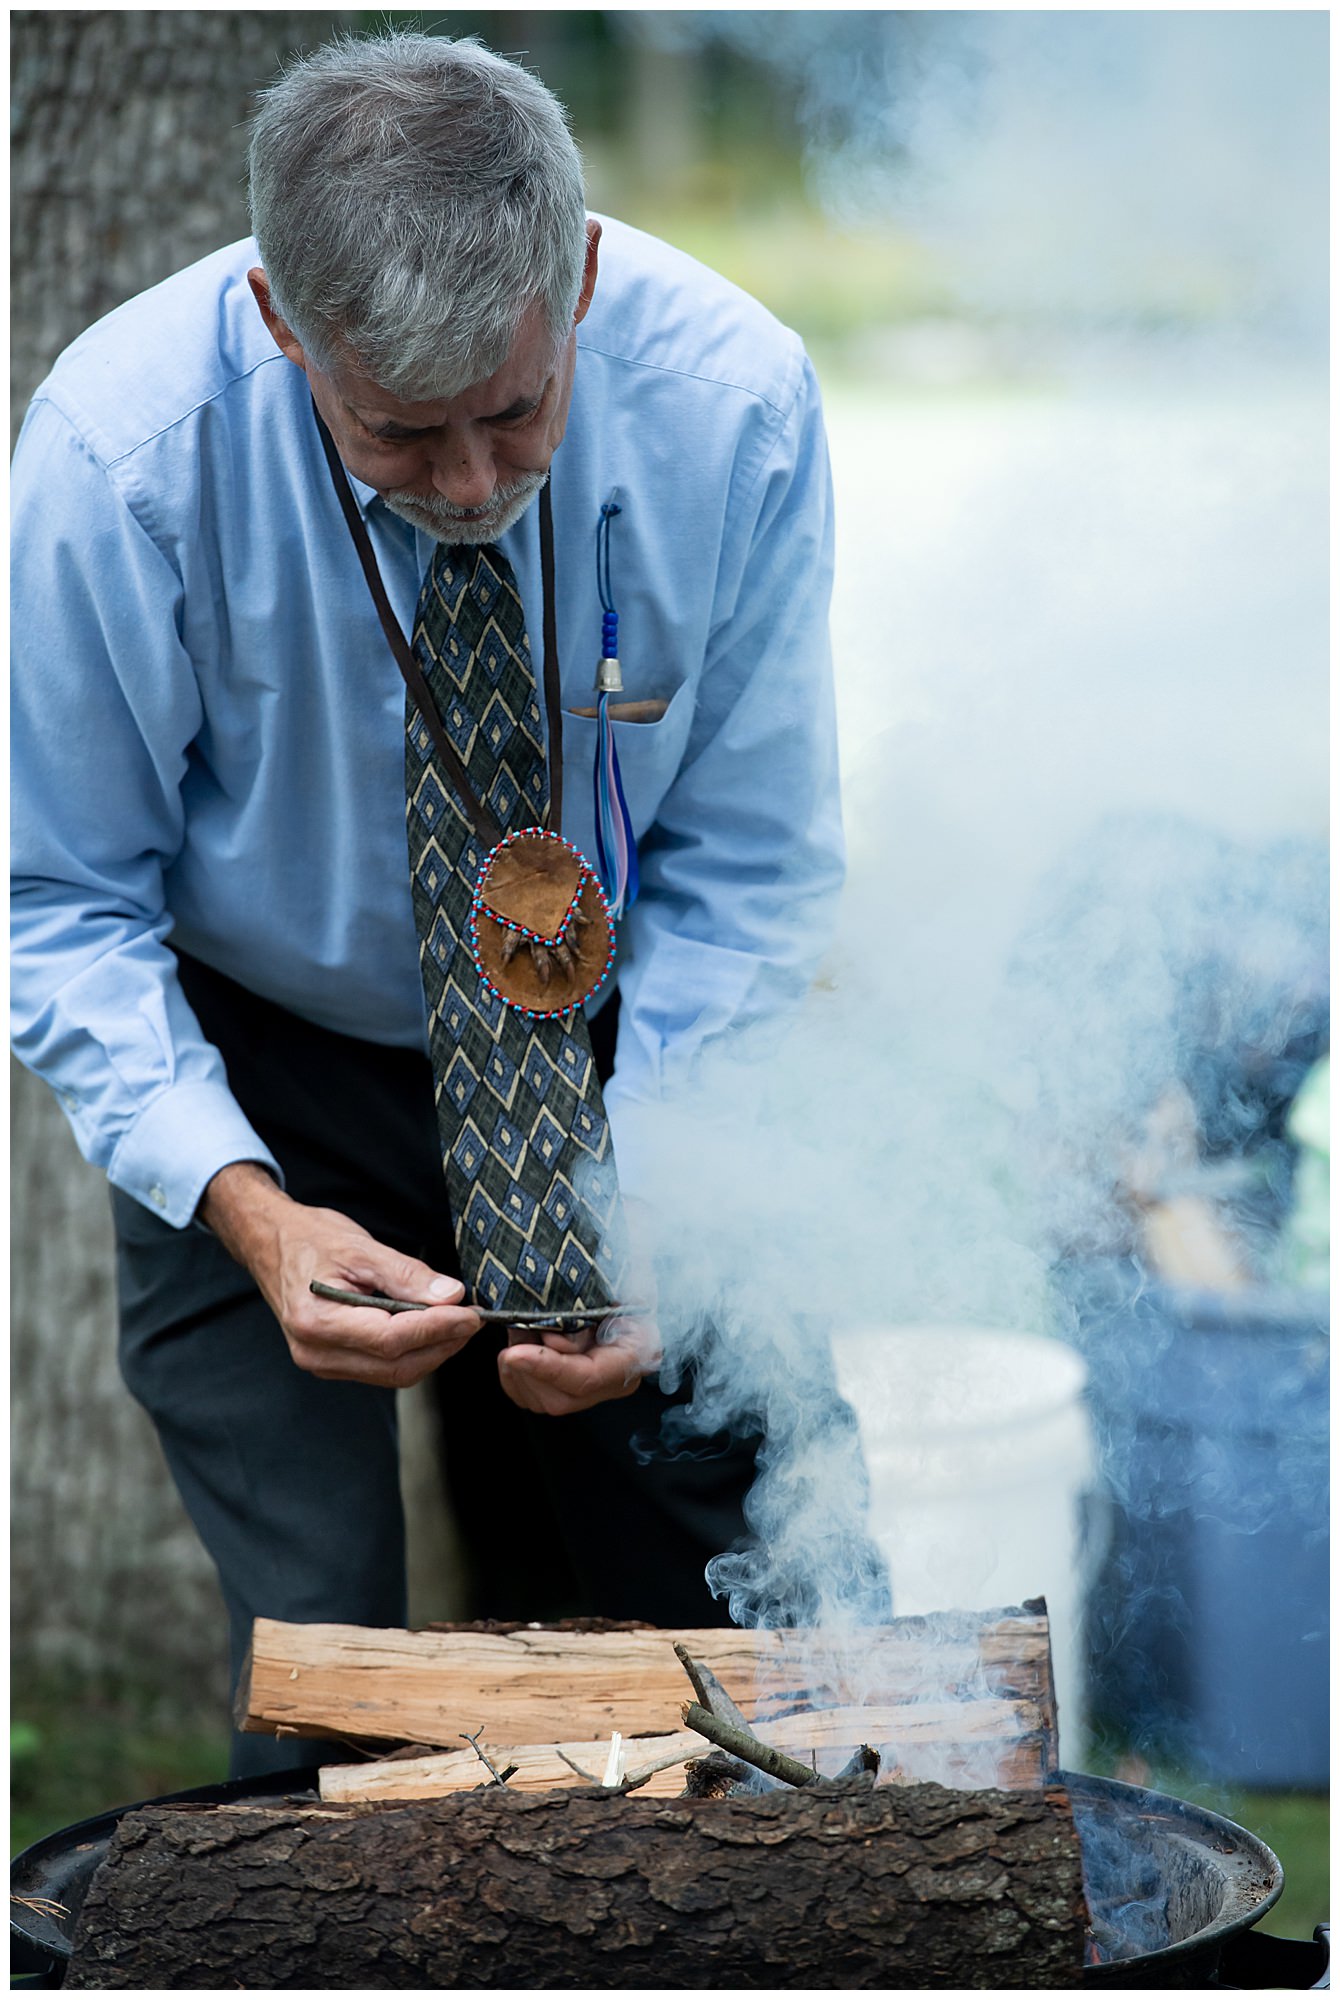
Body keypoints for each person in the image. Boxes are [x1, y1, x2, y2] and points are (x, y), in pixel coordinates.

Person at [11, 31, 845, 1774]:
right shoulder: (117, 455)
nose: (473, 490)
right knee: (330, 1670)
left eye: (517, 413)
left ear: (585, 270)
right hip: (261, 1056)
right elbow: (57, 895)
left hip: (626, 1038)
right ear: (278, 322)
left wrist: (672, 1207)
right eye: (400, 432)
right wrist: (246, 1210)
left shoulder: (738, 404)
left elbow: (749, 870)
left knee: (730, 1622)